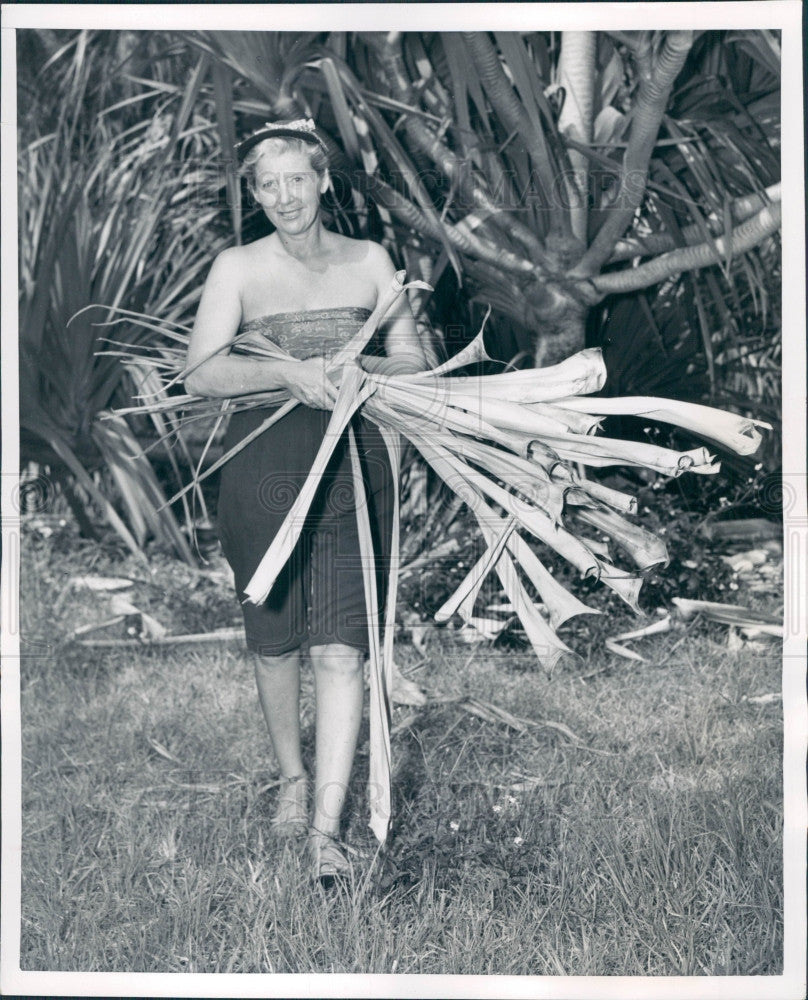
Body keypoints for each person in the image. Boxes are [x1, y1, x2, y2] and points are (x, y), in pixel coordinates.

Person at [184, 119, 427, 883]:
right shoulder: (239, 268)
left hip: (356, 461)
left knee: (341, 644)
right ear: (254, 194)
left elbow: (410, 353)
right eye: (268, 184)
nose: (285, 197)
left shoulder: (370, 262)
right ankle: (292, 775)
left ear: (324, 181)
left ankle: (326, 831)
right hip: (266, 464)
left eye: (298, 179)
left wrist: (380, 378)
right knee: (277, 637)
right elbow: (201, 374)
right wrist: (287, 373)